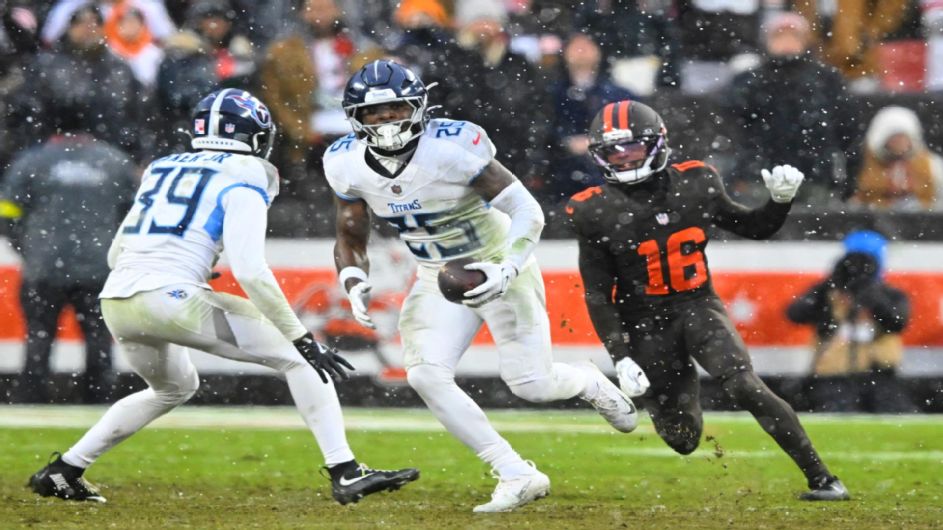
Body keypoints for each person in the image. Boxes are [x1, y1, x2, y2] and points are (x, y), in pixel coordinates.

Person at [27, 89, 418, 505]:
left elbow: (115, 253)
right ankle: (345, 471)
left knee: (172, 386)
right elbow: (251, 270)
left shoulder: (162, 167)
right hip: (170, 297)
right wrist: (301, 336)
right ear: (256, 135)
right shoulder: (251, 172)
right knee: (299, 358)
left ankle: (65, 470)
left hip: (119, 299)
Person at [325, 60, 637, 513]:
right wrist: (352, 279)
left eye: (393, 110)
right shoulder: (344, 162)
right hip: (436, 275)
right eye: (372, 115)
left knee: (531, 384)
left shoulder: (452, 148)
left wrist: (507, 267)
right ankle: (515, 472)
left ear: (418, 108)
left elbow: (529, 212)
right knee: (424, 373)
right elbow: (350, 233)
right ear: (355, 118)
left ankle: (584, 381)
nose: (384, 122)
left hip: (496, 262)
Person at [566, 99, 849, 501]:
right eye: (614, 151)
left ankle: (824, 480)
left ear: (658, 144)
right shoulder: (592, 209)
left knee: (744, 385)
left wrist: (779, 202)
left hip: (696, 305)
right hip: (644, 321)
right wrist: (621, 356)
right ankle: (606, 388)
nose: (624, 158)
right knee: (682, 439)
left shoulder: (697, 182)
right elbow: (597, 292)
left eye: (631, 148)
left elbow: (754, 227)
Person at [0, 107, 137, 404]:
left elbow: (6, 212)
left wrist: (27, 248)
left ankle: (30, 404)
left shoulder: (32, 161)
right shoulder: (115, 162)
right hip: (100, 269)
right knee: (99, 342)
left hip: (43, 269)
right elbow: (135, 216)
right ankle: (99, 405)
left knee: (38, 340)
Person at [727, 11, 857, 204]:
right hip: (761, 177)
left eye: (794, 35)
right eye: (779, 35)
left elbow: (848, 130)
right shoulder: (749, 81)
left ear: (806, 41)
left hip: (815, 177)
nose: (787, 42)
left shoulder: (828, 80)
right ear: (766, 41)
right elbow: (732, 127)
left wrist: (847, 178)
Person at [786, 230, 914, 413]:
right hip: (832, 375)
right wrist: (830, 285)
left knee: (894, 416)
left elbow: (897, 322)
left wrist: (872, 295)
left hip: (880, 375)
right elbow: (795, 314)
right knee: (835, 415)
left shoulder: (889, 294)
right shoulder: (827, 291)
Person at [852, 106, 942, 210]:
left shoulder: (932, 165)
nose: (900, 143)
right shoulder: (864, 165)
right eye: (895, 138)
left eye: (903, 137)